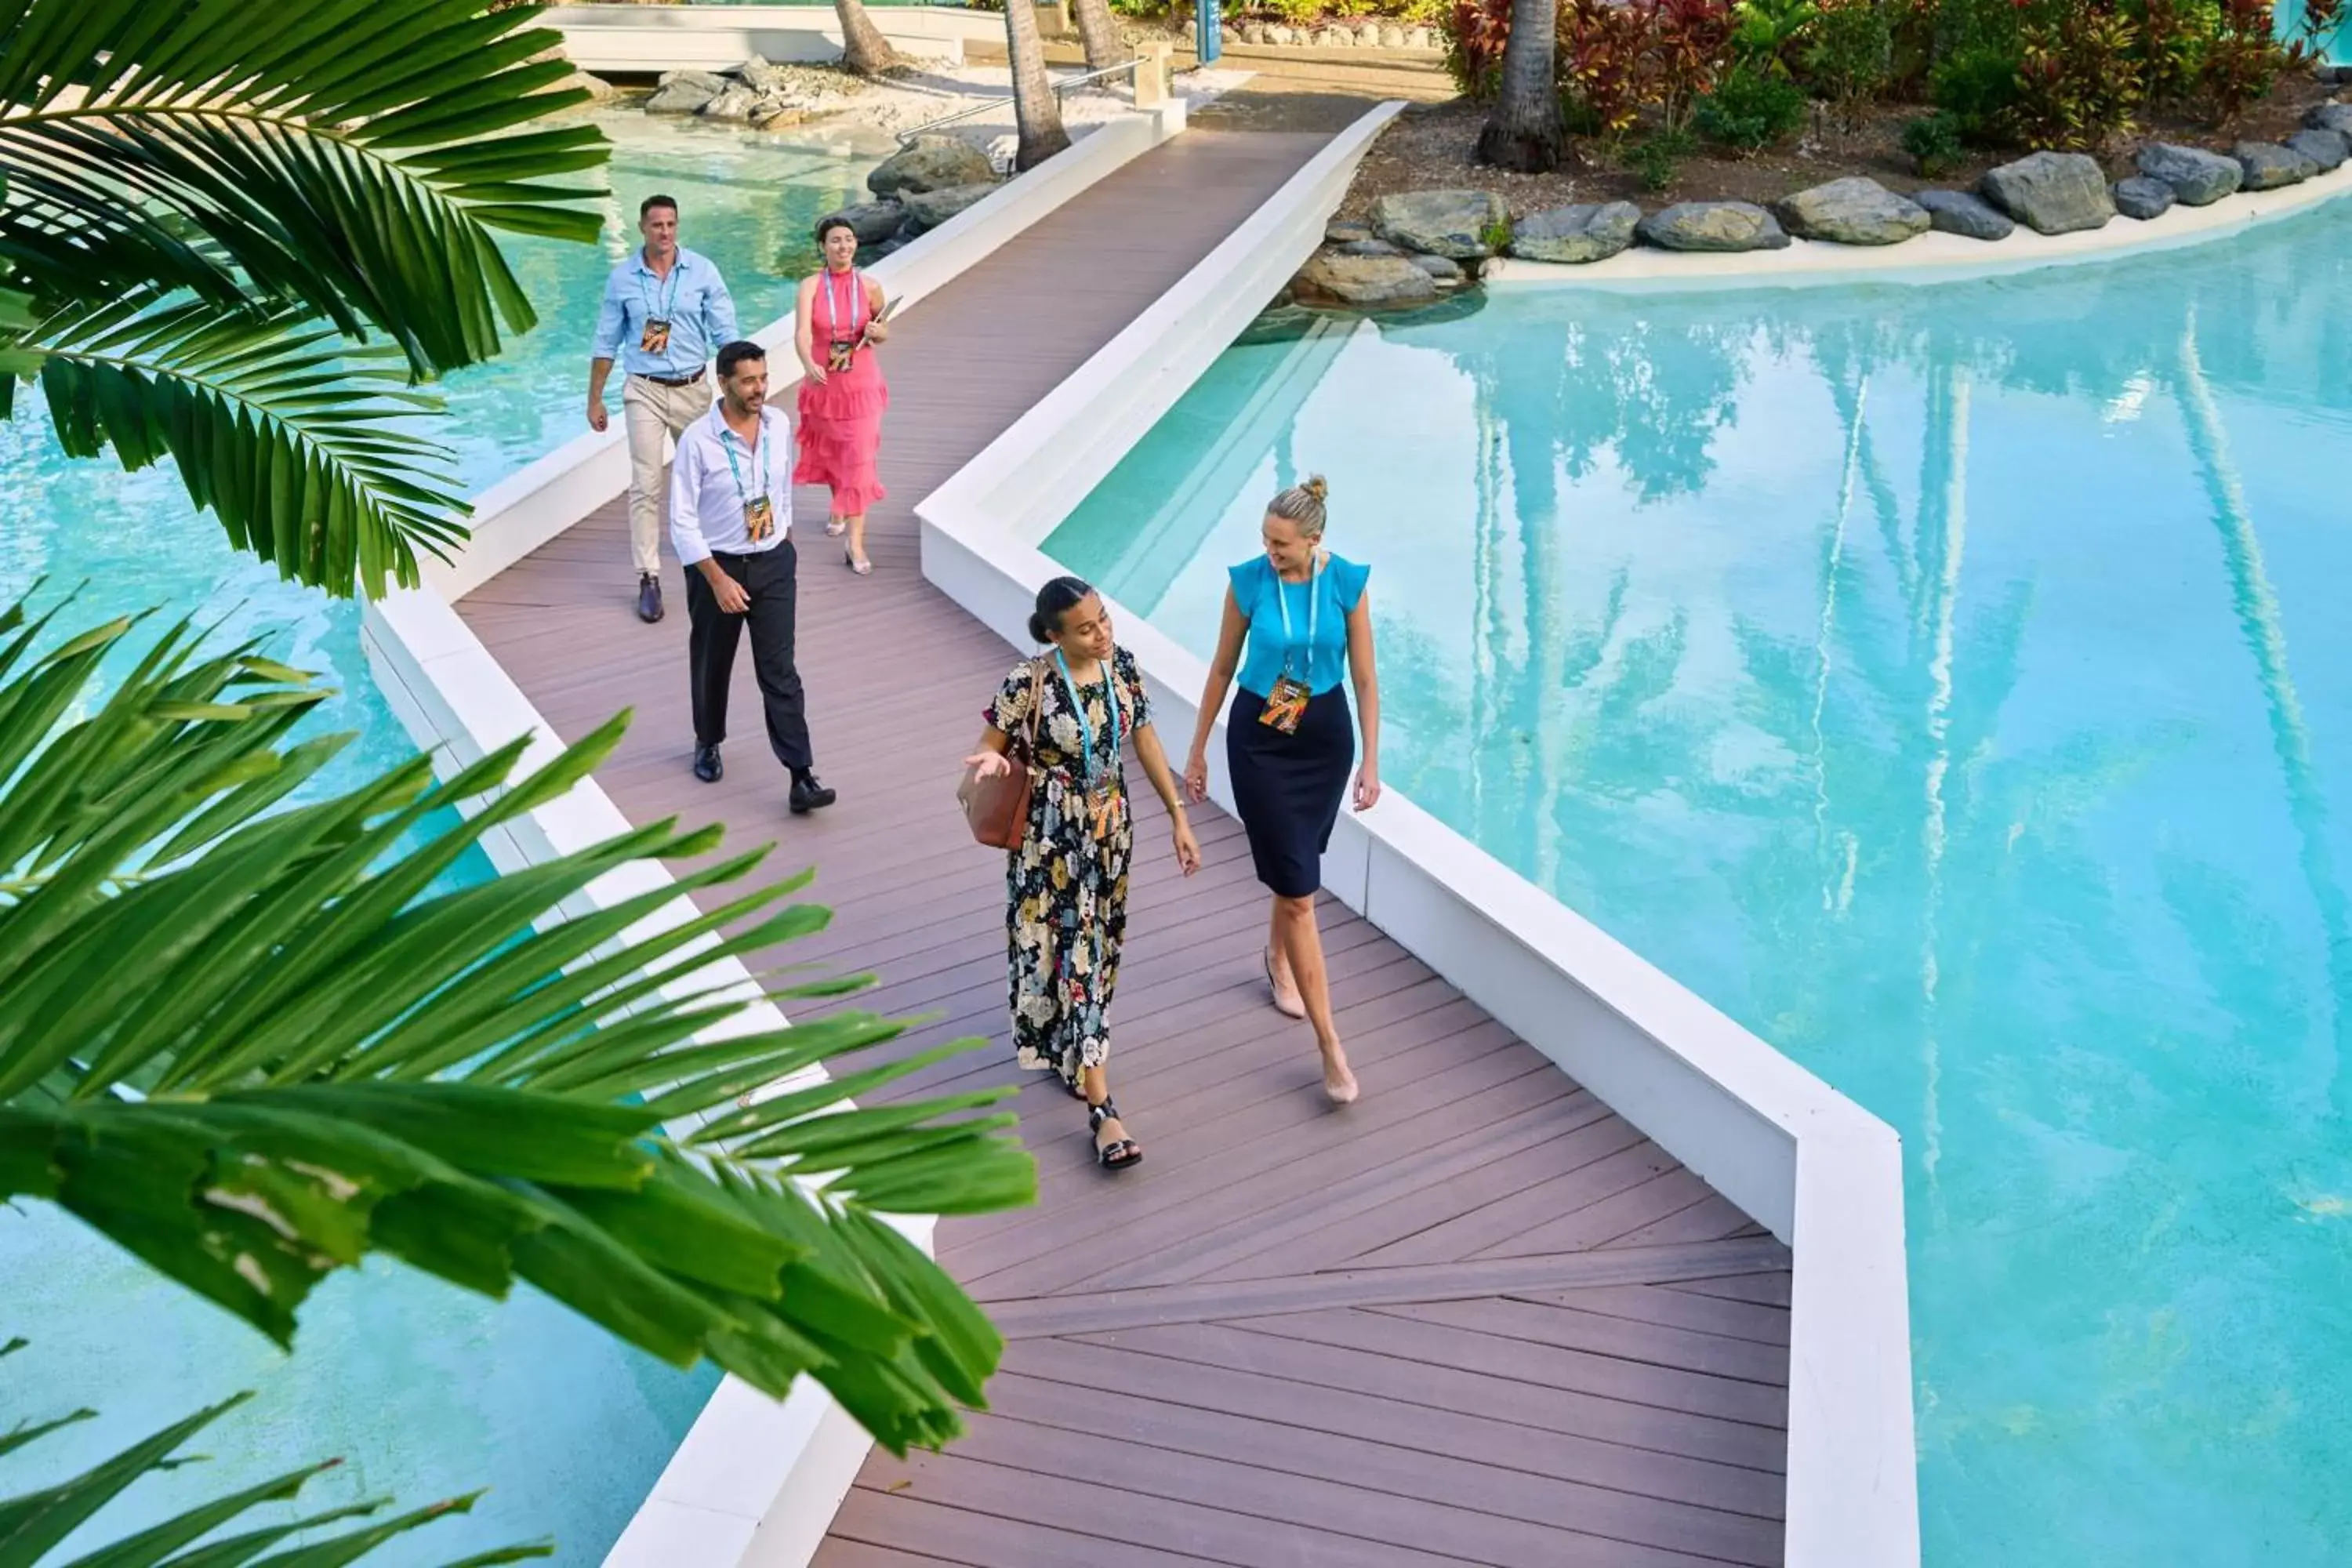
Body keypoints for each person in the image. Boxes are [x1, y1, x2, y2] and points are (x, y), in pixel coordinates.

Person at [964, 577, 1201, 1170]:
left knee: (1100, 947)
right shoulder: (1029, 681)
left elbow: (1143, 739)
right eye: (1086, 628)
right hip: (1051, 841)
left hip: (1110, 832)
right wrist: (994, 759)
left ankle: (1076, 1050)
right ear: (1054, 635)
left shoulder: (1122, 666)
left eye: (1104, 619)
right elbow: (987, 748)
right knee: (1075, 956)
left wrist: (1177, 817)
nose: (1102, 634)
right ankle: (1103, 1111)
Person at [1183, 477, 1381, 1105]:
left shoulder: (1347, 582)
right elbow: (1220, 667)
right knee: (1299, 888)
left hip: (1323, 738)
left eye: (1282, 544)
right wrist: (1197, 751)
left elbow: (1367, 680)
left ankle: (1276, 958)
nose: (1270, 552)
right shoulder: (1247, 582)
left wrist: (1370, 763)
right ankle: (1331, 1047)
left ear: (1314, 540)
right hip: (1260, 742)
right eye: (1266, 541)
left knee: (1295, 868)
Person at [670, 340, 836, 817]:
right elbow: (681, 521)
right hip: (715, 567)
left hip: (772, 562)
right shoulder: (698, 441)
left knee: (780, 671)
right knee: (712, 661)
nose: (759, 388)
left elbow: (780, 487)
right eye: (748, 380)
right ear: (723, 383)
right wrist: (717, 579)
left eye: (762, 378)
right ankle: (707, 740)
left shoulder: (778, 424)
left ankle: (801, 775)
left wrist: (782, 539)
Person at [589, 194, 739, 623]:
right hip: (645, 390)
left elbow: (725, 331)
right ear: (642, 228)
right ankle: (648, 577)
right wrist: (594, 398)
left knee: (708, 477)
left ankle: (715, 562)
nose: (665, 232)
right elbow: (605, 342)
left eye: (671, 224)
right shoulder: (622, 279)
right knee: (646, 483)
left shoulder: (703, 271)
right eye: (657, 225)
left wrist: (739, 386)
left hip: (693, 388)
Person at [793, 217, 890, 577]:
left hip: (862, 386)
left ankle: (856, 541)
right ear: (823, 246)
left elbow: (882, 328)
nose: (844, 246)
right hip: (824, 385)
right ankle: (838, 505)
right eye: (835, 240)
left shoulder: (870, 286)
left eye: (849, 240)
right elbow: (802, 333)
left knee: (859, 457)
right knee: (833, 449)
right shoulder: (810, 287)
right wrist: (807, 362)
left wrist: (880, 331)